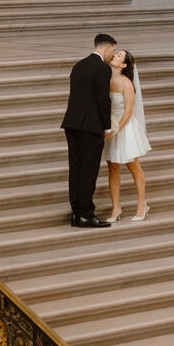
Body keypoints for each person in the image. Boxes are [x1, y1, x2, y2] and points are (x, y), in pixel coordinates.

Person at [61, 33, 116, 228]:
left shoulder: (79, 66)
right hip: (90, 126)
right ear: (107, 47)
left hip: (71, 123)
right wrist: (107, 125)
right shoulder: (102, 68)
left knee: (75, 168)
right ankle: (86, 213)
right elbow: (103, 99)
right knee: (88, 171)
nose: (113, 55)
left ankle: (76, 213)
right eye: (113, 51)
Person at [105, 49, 151, 221]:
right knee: (113, 168)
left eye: (119, 56)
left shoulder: (126, 83)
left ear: (123, 64)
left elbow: (128, 112)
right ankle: (116, 208)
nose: (114, 56)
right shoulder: (107, 80)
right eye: (115, 53)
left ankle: (142, 205)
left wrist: (116, 130)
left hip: (125, 128)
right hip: (112, 128)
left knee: (134, 168)